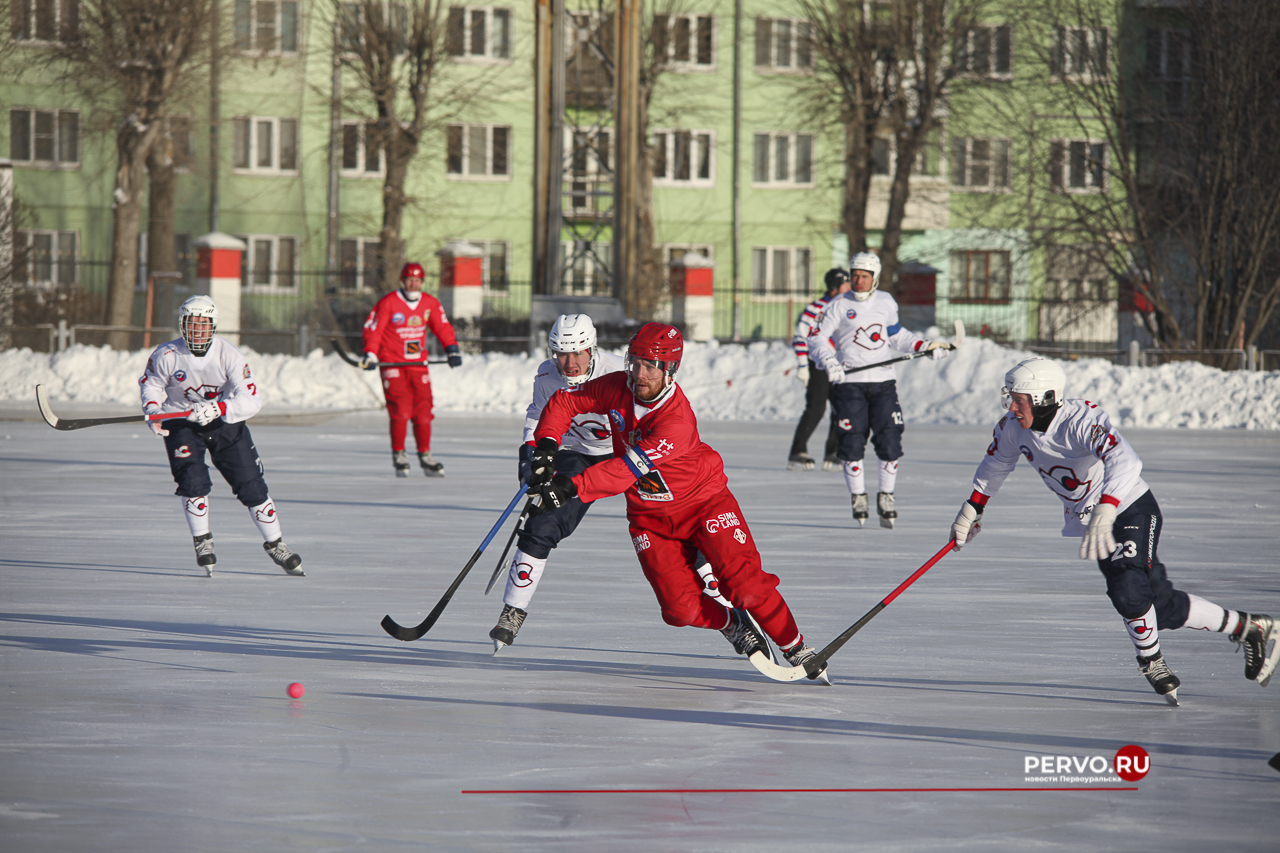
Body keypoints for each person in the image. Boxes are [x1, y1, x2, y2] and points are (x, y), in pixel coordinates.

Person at [949, 356, 1279, 703]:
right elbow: (996, 463)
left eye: (1020, 399)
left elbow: (1126, 460)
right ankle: (1248, 627)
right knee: (1159, 606)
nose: (1012, 407)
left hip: (1128, 506)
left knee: (1127, 591)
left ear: (1045, 397)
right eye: (1010, 398)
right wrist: (972, 509)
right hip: (1095, 520)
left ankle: (1151, 661)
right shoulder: (1012, 428)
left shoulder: (1081, 420)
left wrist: (1107, 508)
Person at [526, 323, 829, 682]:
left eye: (651, 366)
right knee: (678, 610)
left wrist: (568, 487)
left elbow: (625, 469)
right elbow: (566, 402)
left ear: (670, 370)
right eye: (634, 362)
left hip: (704, 505)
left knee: (744, 585)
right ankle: (732, 624)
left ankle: (795, 645)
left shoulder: (676, 420)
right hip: (650, 518)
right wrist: (545, 445)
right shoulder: (617, 386)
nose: (640, 374)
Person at [140, 295, 304, 578]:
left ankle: (276, 543)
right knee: (192, 480)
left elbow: (252, 399)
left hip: (225, 424)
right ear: (182, 325)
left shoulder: (229, 355)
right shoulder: (166, 354)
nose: (197, 331)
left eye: (203, 325)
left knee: (251, 484)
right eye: (192, 324)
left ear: (213, 327)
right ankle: (202, 541)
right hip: (182, 422)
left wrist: (219, 407)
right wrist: (153, 410)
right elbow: (152, 384)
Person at [489, 314, 625, 651]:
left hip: (626, 454)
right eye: (561, 354)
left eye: (578, 353)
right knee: (543, 518)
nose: (570, 363)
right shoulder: (548, 375)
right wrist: (529, 458)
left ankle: (732, 614)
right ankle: (513, 610)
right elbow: (536, 416)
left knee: (674, 523)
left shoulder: (618, 373)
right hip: (576, 451)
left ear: (592, 349)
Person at [807, 252, 954, 528]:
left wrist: (924, 347)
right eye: (855, 275)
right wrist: (828, 360)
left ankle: (886, 496)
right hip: (849, 385)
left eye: (864, 276)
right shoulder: (838, 305)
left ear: (874, 278)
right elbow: (816, 337)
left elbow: (896, 335)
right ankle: (858, 496)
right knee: (851, 443)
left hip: (884, 383)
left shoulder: (886, 301)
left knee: (890, 440)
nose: (858, 281)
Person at [361, 262, 463, 478]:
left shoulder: (429, 303)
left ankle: (425, 455)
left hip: (417, 363)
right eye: (409, 280)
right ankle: (399, 454)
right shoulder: (389, 303)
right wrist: (371, 353)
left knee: (424, 410)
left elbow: (442, 327)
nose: (413, 284)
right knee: (401, 408)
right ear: (402, 280)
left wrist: (452, 349)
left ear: (422, 282)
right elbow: (374, 330)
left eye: (417, 280)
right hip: (393, 364)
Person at [787, 268, 851, 471]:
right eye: (845, 283)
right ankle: (798, 451)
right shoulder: (815, 308)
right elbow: (800, 337)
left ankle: (833, 452)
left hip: (840, 366)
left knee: (841, 409)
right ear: (834, 287)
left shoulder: (848, 307)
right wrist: (803, 366)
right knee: (816, 409)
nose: (850, 287)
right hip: (819, 365)